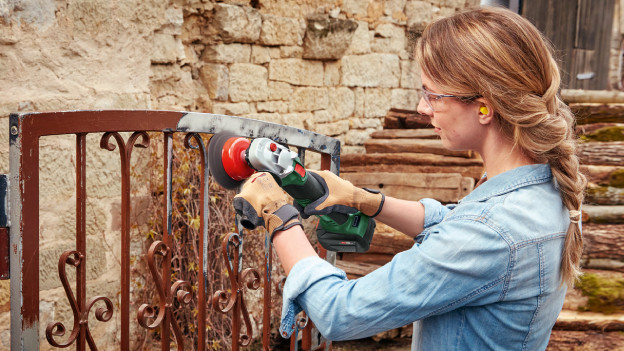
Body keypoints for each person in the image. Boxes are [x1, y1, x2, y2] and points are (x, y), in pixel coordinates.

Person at [232, 6, 586, 350]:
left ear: (484, 108)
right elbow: (453, 225)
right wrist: (365, 200)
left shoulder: (491, 230)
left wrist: (277, 213)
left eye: (433, 95)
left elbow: (340, 312)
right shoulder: (542, 191)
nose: (422, 107)